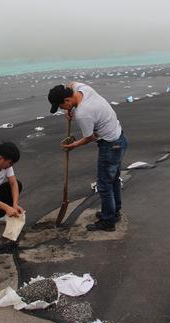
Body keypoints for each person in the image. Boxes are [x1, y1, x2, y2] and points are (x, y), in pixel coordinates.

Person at [47, 82, 128, 232]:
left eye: (61, 107)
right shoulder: (82, 89)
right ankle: (113, 212)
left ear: (67, 100)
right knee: (113, 180)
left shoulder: (83, 113)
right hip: (119, 138)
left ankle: (108, 221)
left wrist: (73, 145)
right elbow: (70, 83)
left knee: (104, 185)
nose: (62, 110)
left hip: (110, 145)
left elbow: (89, 137)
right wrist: (70, 110)